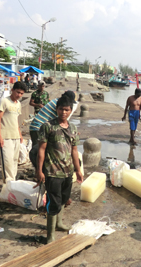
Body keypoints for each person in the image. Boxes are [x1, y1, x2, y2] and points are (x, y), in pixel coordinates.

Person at [35, 96, 83, 244]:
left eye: (66, 109)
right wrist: (39, 170)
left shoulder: (73, 129)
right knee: (53, 202)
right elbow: (41, 150)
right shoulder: (47, 126)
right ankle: (50, 235)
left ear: (70, 111)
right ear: (56, 110)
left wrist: (78, 169)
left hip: (67, 172)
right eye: (61, 109)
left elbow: (74, 151)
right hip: (52, 171)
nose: (63, 112)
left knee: (63, 199)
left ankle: (59, 223)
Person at [0, 81, 26, 181]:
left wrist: (20, 135)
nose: (19, 95)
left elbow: (16, 120)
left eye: (21, 93)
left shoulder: (19, 104)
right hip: (5, 137)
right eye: (17, 92)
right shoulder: (4, 101)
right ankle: (8, 184)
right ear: (12, 90)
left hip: (16, 136)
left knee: (14, 161)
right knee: (7, 162)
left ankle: (13, 184)